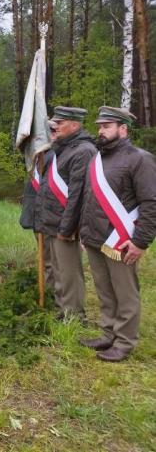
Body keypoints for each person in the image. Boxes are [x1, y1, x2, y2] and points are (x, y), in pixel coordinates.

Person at [78, 106, 156, 362]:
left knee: (125, 292)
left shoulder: (140, 158)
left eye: (107, 126)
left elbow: (150, 202)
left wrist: (141, 241)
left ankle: (124, 341)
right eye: (100, 126)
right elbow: (89, 199)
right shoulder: (97, 159)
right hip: (95, 238)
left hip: (120, 241)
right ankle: (108, 332)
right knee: (104, 289)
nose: (101, 130)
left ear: (123, 129)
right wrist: (83, 231)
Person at [33, 106, 96, 320]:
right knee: (58, 271)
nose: (55, 126)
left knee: (68, 273)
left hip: (65, 224)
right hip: (52, 220)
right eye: (55, 123)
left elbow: (77, 194)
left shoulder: (83, 151)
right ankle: (60, 309)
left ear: (75, 125)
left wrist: (67, 227)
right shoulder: (63, 148)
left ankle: (73, 316)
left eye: (60, 123)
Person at [19, 123, 57, 291]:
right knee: (44, 257)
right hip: (37, 214)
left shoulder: (56, 156)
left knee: (50, 260)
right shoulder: (38, 155)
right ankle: (46, 291)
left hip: (49, 216)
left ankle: (50, 296)